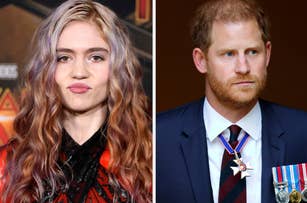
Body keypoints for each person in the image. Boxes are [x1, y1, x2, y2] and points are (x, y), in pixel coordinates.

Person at [0, 0, 152, 202]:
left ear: (118, 68)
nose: (79, 72)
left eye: (96, 57)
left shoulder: (149, 164)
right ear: (46, 69)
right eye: (64, 58)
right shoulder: (7, 165)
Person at [156, 0, 307, 202]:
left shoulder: (302, 132)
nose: (243, 67)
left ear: (268, 54)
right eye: (228, 54)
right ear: (201, 60)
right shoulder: (158, 139)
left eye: (253, 52)